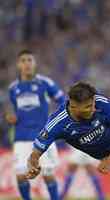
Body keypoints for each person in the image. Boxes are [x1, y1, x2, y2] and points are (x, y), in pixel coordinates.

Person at [5, 50, 65, 200]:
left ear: (35, 63)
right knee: (20, 175)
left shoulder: (45, 83)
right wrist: (9, 116)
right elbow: (11, 110)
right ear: (19, 65)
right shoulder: (13, 88)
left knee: (48, 174)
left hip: (44, 136)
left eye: (29, 60)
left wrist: (56, 122)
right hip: (22, 137)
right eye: (23, 60)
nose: (27, 64)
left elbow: (64, 102)